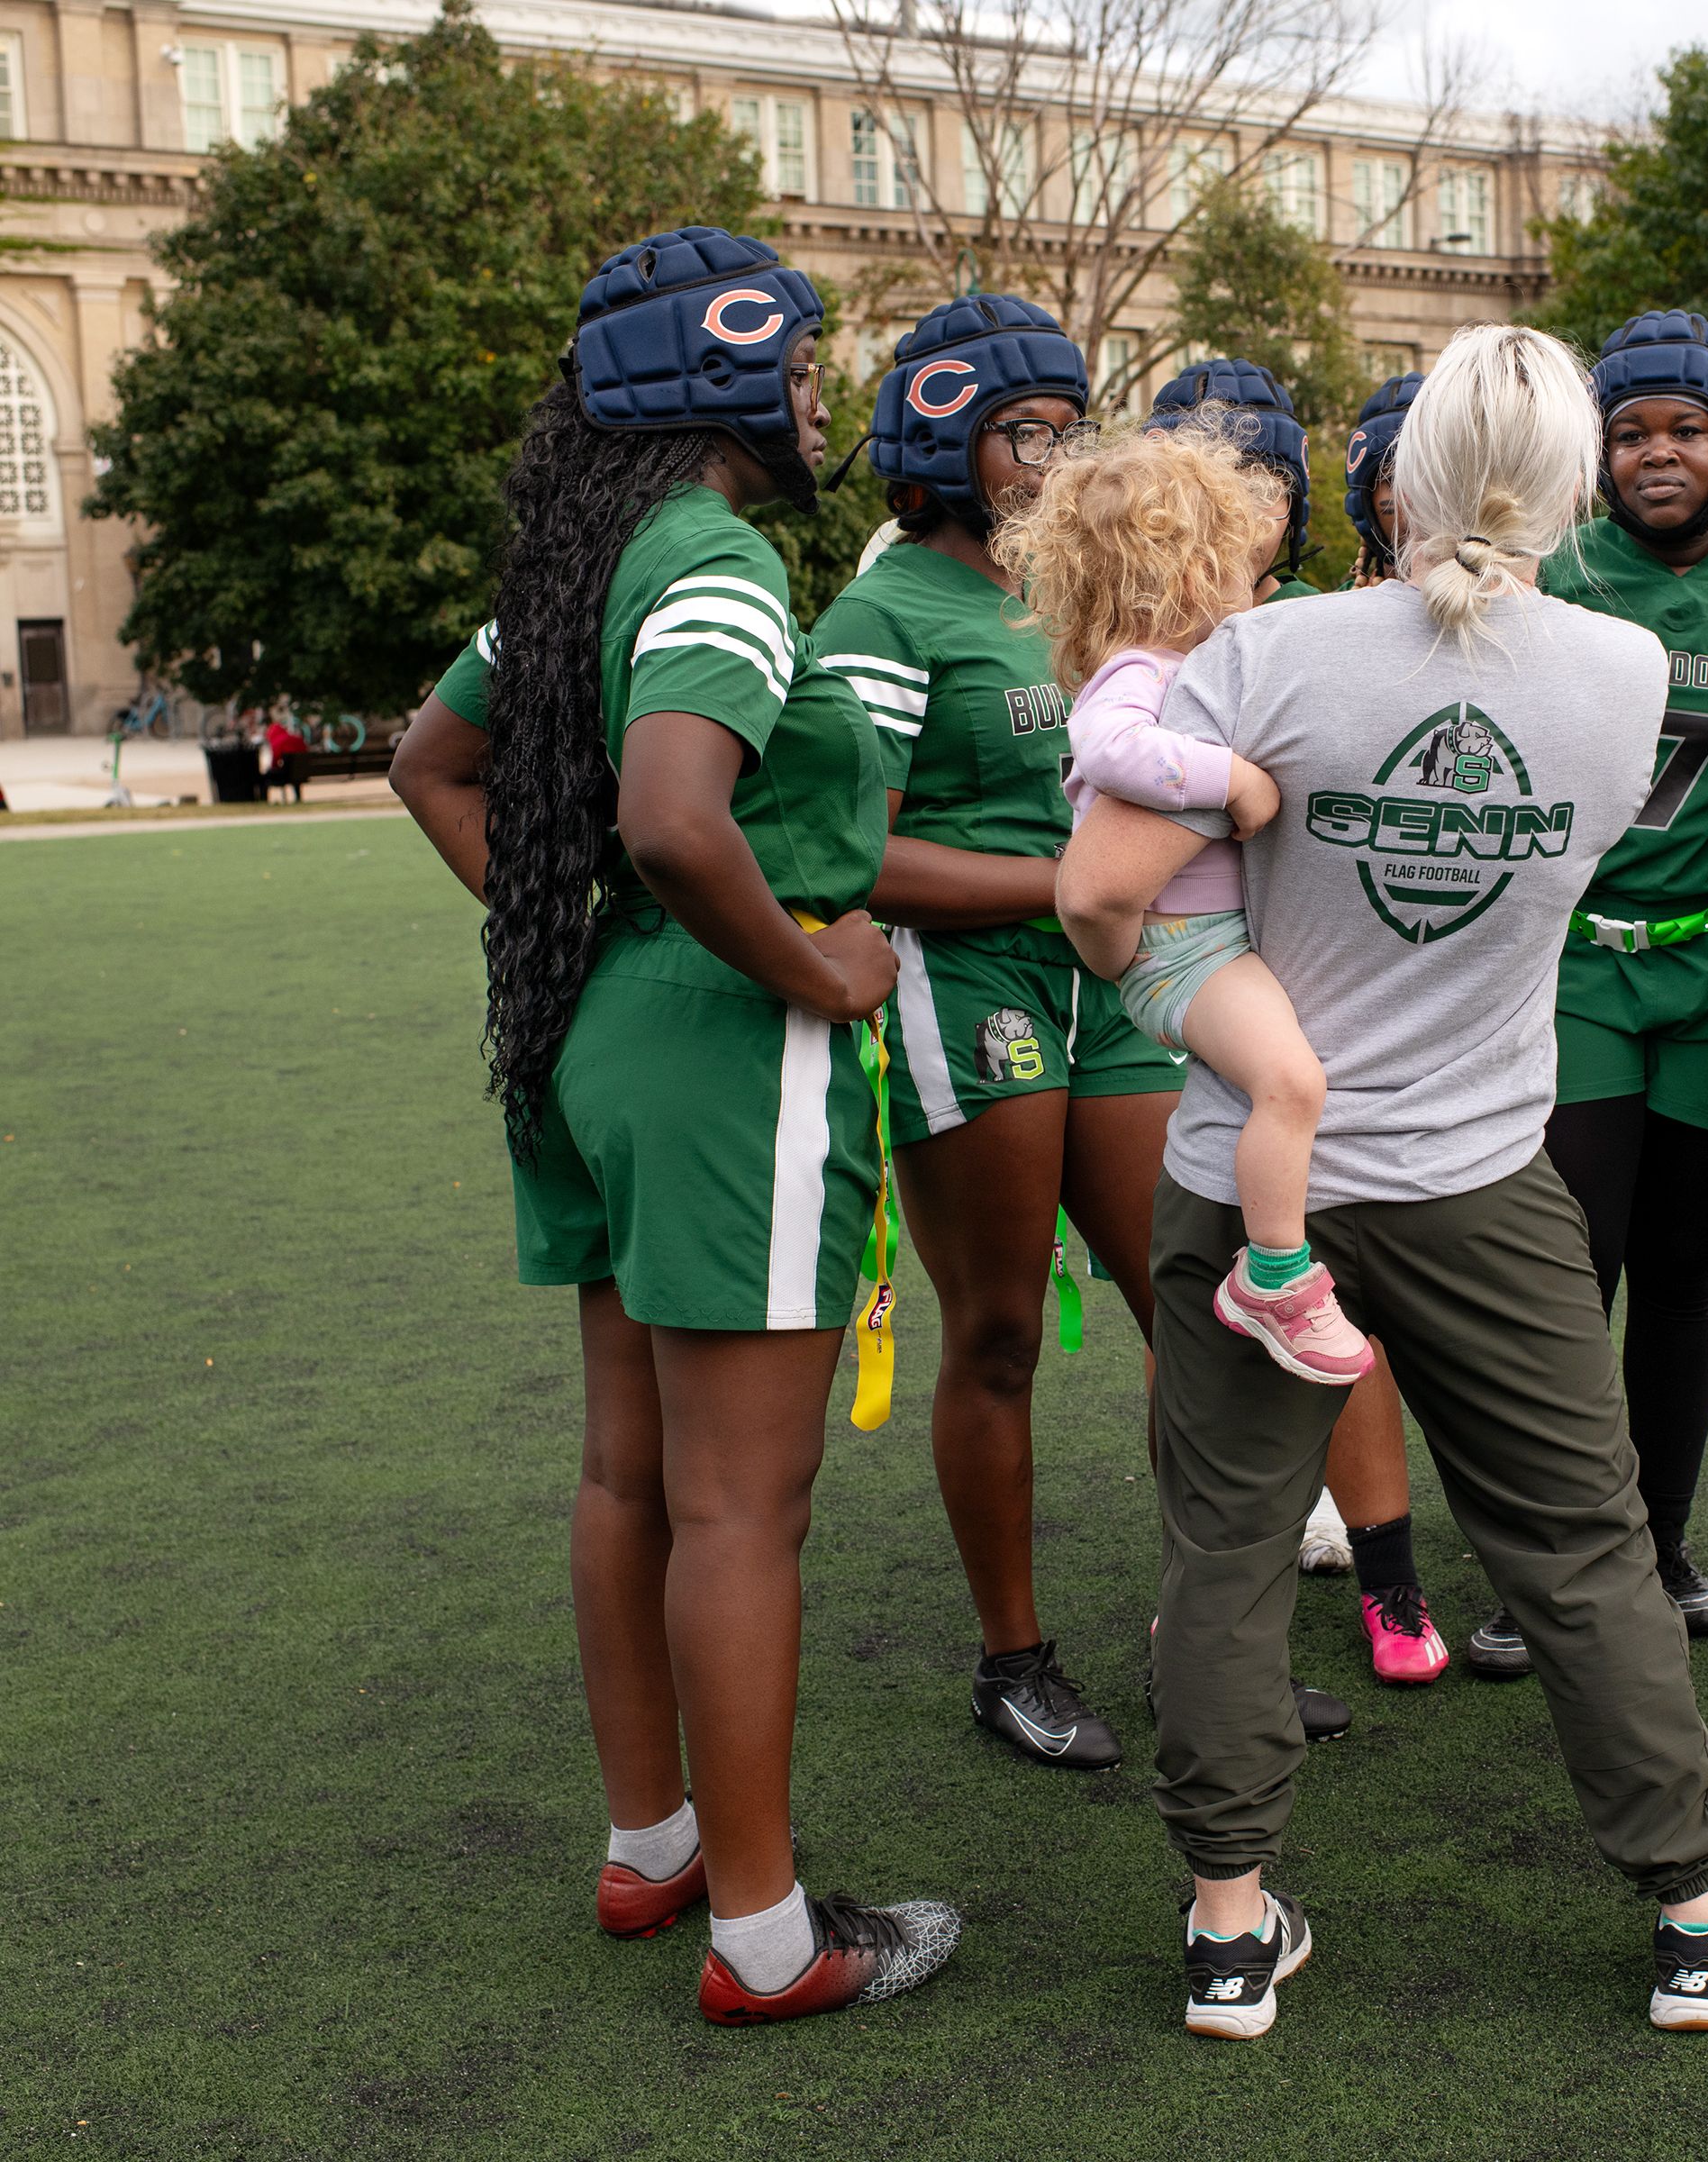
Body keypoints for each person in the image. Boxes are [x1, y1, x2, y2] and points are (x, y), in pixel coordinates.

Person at [1058, 322, 1708, 2040]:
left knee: (1225, 1550)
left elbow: (1097, 891)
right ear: (1579, 487)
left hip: (1250, 1174)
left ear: (1390, 482)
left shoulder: (1268, 653)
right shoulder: (1625, 673)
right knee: (1581, 1553)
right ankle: (1698, 1907)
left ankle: (1230, 1927)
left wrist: (1190, 993)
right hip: (1477, 1173)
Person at [386, 226, 959, 2021]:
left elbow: (430, 760)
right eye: (789, 361)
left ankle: (655, 1847)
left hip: (596, 1038)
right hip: (725, 1057)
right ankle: (770, 1934)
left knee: (629, 1476)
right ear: (710, 373)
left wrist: (595, 953)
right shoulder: (713, 554)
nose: (814, 392)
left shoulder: (581, 559)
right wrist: (817, 974)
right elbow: (674, 822)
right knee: (739, 1510)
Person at [805, 295, 1189, 1772]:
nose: (1049, 460)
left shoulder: (1079, 595)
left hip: (1118, 979)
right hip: (973, 991)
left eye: (1065, 430)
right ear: (937, 444)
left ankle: (1199, 1640)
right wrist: (1062, 882)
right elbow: (850, 858)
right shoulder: (885, 613)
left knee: (1194, 1299)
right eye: (1021, 434)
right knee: (1005, 1329)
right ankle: (1013, 1659)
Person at [1457, 313, 1708, 1678]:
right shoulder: (1547, 574)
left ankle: (1658, 1548)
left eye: (1687, 429)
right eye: (1631, 431)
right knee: (1564, 1271)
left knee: (1681, 1270)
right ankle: (1543, 1567)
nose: (1660, 454)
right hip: (1580, 965)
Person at [1153, 358, 1451, 1685]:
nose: (1238, 498)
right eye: (1210, 470)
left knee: (1338, 1313)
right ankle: (1215, 1616)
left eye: (1262, 471)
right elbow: (1112, 845)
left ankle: (1389, 1582)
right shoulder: (1152, 633)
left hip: (1324, 1009)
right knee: (1210, 1328)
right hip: (1204, 1003)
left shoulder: (1323, 625)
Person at [995, 420, 1371, 1385]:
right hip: (1182, 948)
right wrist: (1230, 777)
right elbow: (1106, 750)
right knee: (1294, 1084)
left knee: (1290, 1083)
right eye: (1232, 564)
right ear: (1181, 575)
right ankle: (1277, 1278)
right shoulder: (1140, 672)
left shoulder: (1194, 669)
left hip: (1204, 940)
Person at [1150, 359, 1324, 603]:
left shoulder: (1310, 620)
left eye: (1264, 491)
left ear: (1294, 509)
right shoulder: (1119, 620)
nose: (1239, 518)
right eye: (1206, 489)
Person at [1342, 370, 1423, 586]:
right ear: (1365, 501)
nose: (1414, 499)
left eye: (1431, 480)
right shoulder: (1330, 612)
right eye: (1394, 479)